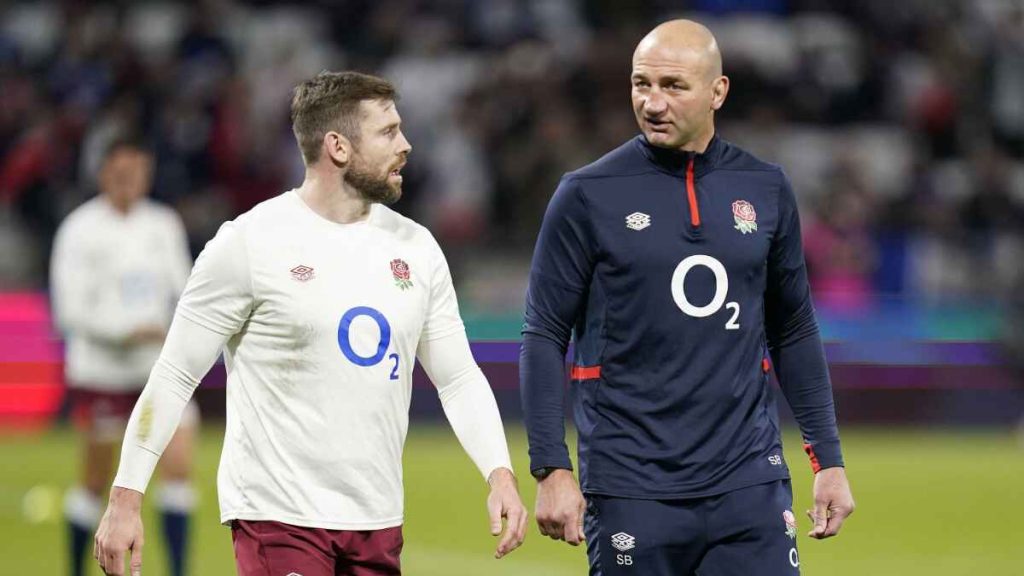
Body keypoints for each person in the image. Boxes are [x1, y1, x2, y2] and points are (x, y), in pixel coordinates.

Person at [93, 71, 527, 576]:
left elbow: (457, 378)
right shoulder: (250, 244)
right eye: (387, 132)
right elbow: (174, 375)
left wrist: (500, 473)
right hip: (280, 518)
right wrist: (126, 496)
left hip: (377, 519)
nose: (406, 145)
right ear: (338, 146)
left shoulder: (417, 247)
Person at [520, 19, 855, 576]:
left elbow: (793, 328)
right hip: (631, 484)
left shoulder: (765, 188)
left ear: (717, 91)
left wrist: (829, 459)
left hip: (749, 481)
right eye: (640, 84)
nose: (652, 103)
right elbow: (543, 334)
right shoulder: (586, 194)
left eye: (673, 86)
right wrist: (550, 468)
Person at [51, 137, 198, 576]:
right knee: (96, 482)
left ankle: (177, 569)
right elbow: (68, 310)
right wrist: (124, 332)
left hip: (156, 371)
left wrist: (174, 333)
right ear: (103, 174)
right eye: (121, 174)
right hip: (102, 372)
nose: (130, 182)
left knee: (178, 471)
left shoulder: (163, 224)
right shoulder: (79, 229)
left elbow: (186, 290)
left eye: (138, 173)